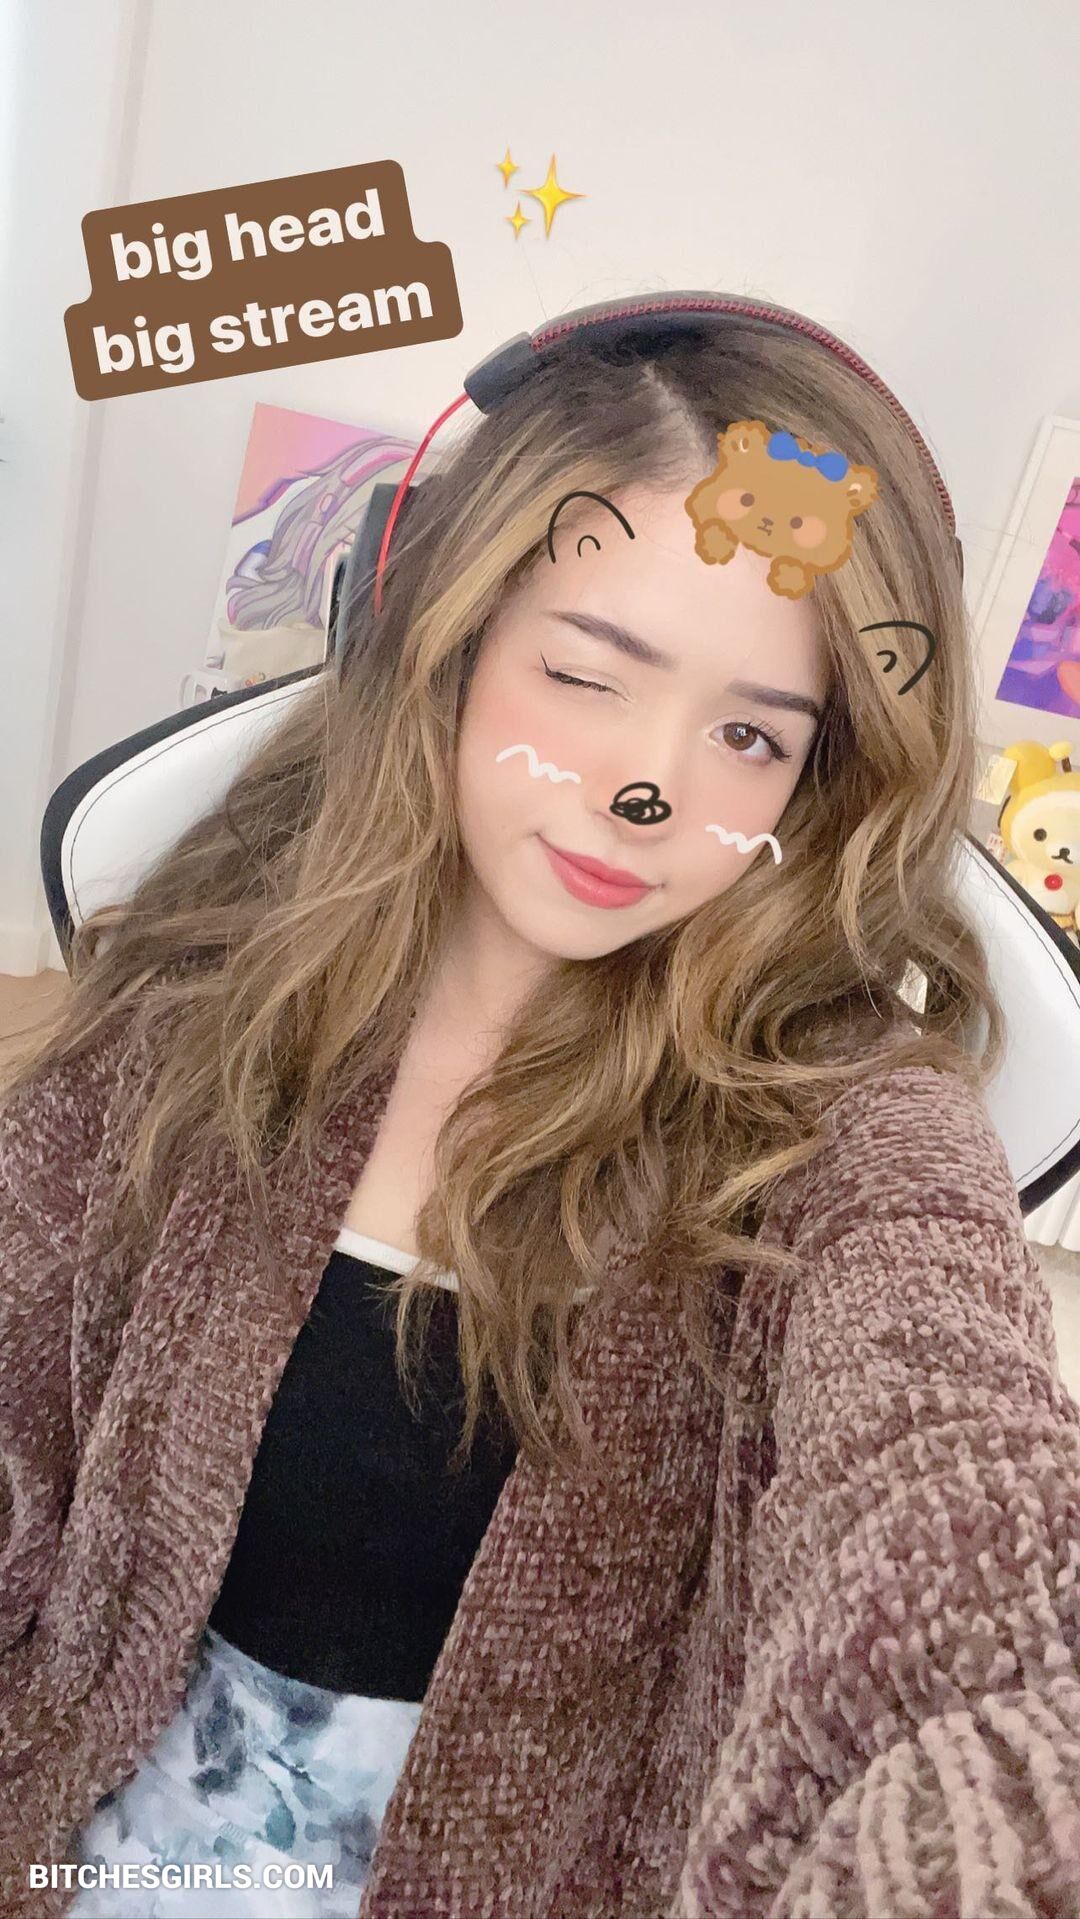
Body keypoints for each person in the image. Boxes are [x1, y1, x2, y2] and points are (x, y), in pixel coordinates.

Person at [2, 300, 1079, 1919]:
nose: (649, 791)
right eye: (584, 675)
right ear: (443, 631)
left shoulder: (850, 1129)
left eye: (749, 735)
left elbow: (950, 1502)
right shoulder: (204, 980)